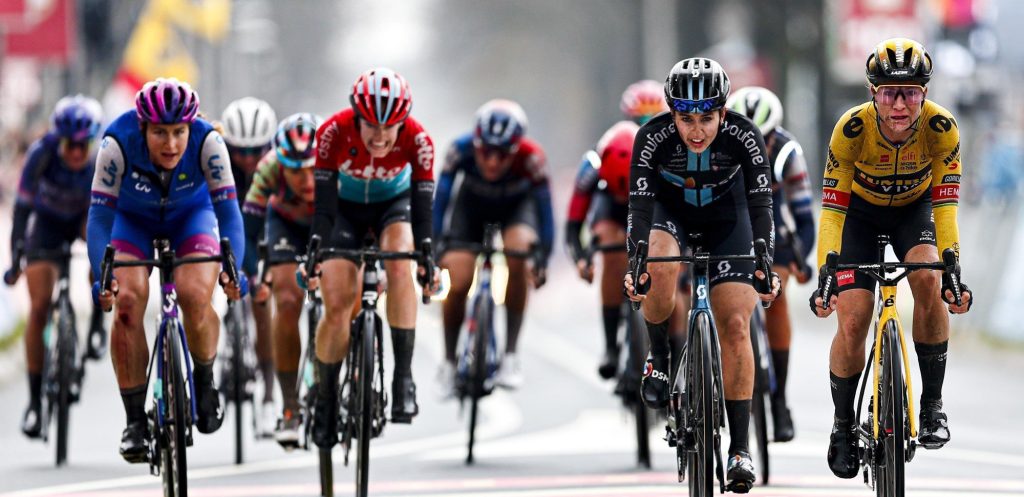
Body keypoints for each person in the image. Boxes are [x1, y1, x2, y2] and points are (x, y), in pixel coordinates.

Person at [809, 38, 972, 479]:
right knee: (853, 320)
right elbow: (832, 210)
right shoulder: (851, 131)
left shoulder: (942, 128)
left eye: (911, 92)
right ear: (871, 92)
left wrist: (952, 264)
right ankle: (843, 427)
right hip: (857, 217)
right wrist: (829, 267)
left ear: (925, 93)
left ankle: (932, 405)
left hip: (913, 212)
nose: (899, 104)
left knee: (928, 281)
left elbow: (945, 207)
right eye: (888, 92)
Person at [622, 58, 780, 492]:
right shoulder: (651, 137)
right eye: (686, 119)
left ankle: (740, 449)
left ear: (723, 114)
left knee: (734, 325)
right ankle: (659, 359)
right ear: (671, 113)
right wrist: (637, 263)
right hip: (669, 215)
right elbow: (638, 208)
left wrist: (764, 259)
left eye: (706, 119)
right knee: (661, 264)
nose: (695, 130)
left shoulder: (745, 136)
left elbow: (762, 204)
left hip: (728, 219)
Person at [87, 78, 246, 462]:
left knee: (194, 294)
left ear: (191, 128)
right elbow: (98, 217)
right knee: (127, 302)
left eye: (179, 132)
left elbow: (228, 213)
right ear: (143, 128)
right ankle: (134, 422)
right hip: (132, 221)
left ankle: (205, 381)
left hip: (192, 217)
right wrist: (101, 275)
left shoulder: (209, 143)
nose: (171, 144)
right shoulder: (117, 143)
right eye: (160, 132)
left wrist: (232, 270)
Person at [303, 67, 439, 449]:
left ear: (403, 123)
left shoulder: (420, 140)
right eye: (371, 127)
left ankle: (403, 378)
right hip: (343, 210)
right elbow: (324, 208)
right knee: (337, 304)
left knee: (400, 263)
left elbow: (422, 208)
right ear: (356, 118)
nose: (379, 137)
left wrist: (427, 256)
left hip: (391, 207)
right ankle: (326, 400)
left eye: (389, 128)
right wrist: (317, 248)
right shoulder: (331, 132)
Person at [434, 99, 553, 393]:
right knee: (459, 278)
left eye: (502, 155)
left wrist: (542, 258)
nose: (492, 162)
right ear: (475, 144)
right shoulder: (458, 150)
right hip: (470, 209)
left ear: (517, 148)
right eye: (485, 152)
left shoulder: (532, 159)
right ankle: (449, 361)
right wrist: (436, 246)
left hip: (515, 210)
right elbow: (441, 200)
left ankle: (510, 355)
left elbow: (545, 212)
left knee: (520, 253)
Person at [4, 95, 105, 439]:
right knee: (39, 306)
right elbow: (21, 207)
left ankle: (96, 326)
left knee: (101, 254)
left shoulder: (100, 160)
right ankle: (34, 402)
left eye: (83, 146)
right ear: (57, 140)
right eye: (69, 146)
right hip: (46, 224)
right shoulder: (41, 154)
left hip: (82, 219)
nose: (76, 153)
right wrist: (17, 255)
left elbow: (107, 216)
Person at [726, 86, 815, 442]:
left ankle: (779, 400)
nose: (753, 144)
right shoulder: (719, 149)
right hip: (729, 225)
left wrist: (799, 259)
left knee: (774, 298)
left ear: (774, 135)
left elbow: (805, 219)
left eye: (761, 138)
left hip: (773, 230)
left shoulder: (787, 155)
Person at [565, 80, 667, 380]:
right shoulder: (594, 163)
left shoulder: (663, 156)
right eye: (640, 119)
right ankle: (611, 345)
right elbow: (574, 223)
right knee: (610, 251)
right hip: (608, 208)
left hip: (649, 199)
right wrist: (582, 258)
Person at [241, 112, 320, 447]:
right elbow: (248, 230)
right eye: (295, 171)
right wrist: (251, 274)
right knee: (286, 301)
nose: (306, 180)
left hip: (329, 221)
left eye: (312, 169)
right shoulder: (268, 168)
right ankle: (290, 406)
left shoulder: (341, 162)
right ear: (280, 164)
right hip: (285, 224)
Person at [220, 97, 279, 434]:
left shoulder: (279, 158)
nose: (246, 159)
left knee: (260, 297)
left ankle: (269, 395)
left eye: (256, 151)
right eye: (239, 151)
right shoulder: (217, 155)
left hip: (261, 229)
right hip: (226, 226)